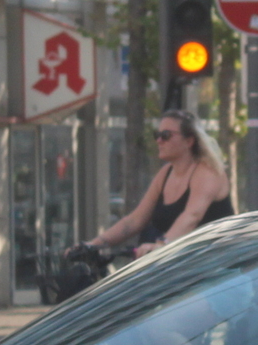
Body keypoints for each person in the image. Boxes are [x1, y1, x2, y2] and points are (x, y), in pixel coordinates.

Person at [85, 110, 232, 257]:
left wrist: (161, 245)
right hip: (183, 265)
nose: (159, 141)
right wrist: (93, 245)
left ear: (189, 141)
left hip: (216, 265)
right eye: (157, 135)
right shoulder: (165, 173)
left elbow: (192, 216)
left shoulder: (207, 171)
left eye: (166, 135)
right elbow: (135, 220)